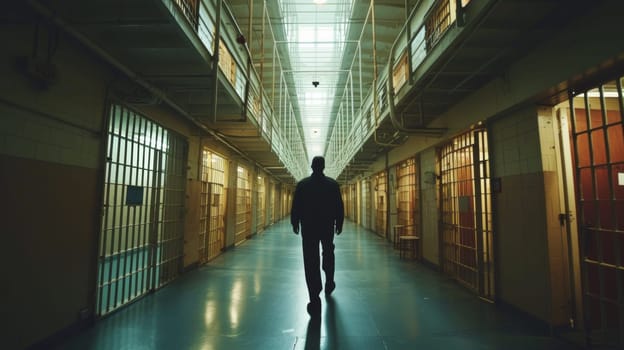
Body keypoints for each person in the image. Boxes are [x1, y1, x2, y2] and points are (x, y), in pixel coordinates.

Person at [291, 156, 344, 317]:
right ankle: (329, 281)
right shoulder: (333, 185)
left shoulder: (303, 185)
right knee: (328, 252)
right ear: (323, 167)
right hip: (327, 226)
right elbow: (339, 206)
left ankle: (314, 299)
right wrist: (339, 223)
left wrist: (295, 222)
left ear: (312, 166)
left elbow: (296, 205)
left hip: (309, 228)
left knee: (310, 260)